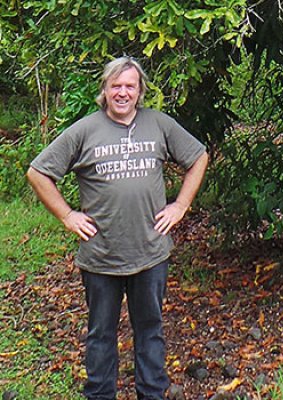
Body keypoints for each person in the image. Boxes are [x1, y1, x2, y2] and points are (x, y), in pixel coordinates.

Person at [27, 57, 208, 400]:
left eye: (130, 86)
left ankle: (152, 394)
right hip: (100, 255)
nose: (122, 93)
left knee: (150, 331)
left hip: (151, 252)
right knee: (100, 335)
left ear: (139, 91)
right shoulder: (85, 130)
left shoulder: (159, 124)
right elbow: (38, 173)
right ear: (105, 90)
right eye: (116, 86)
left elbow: (198, 157)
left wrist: (180, 205)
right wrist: (68, 216)